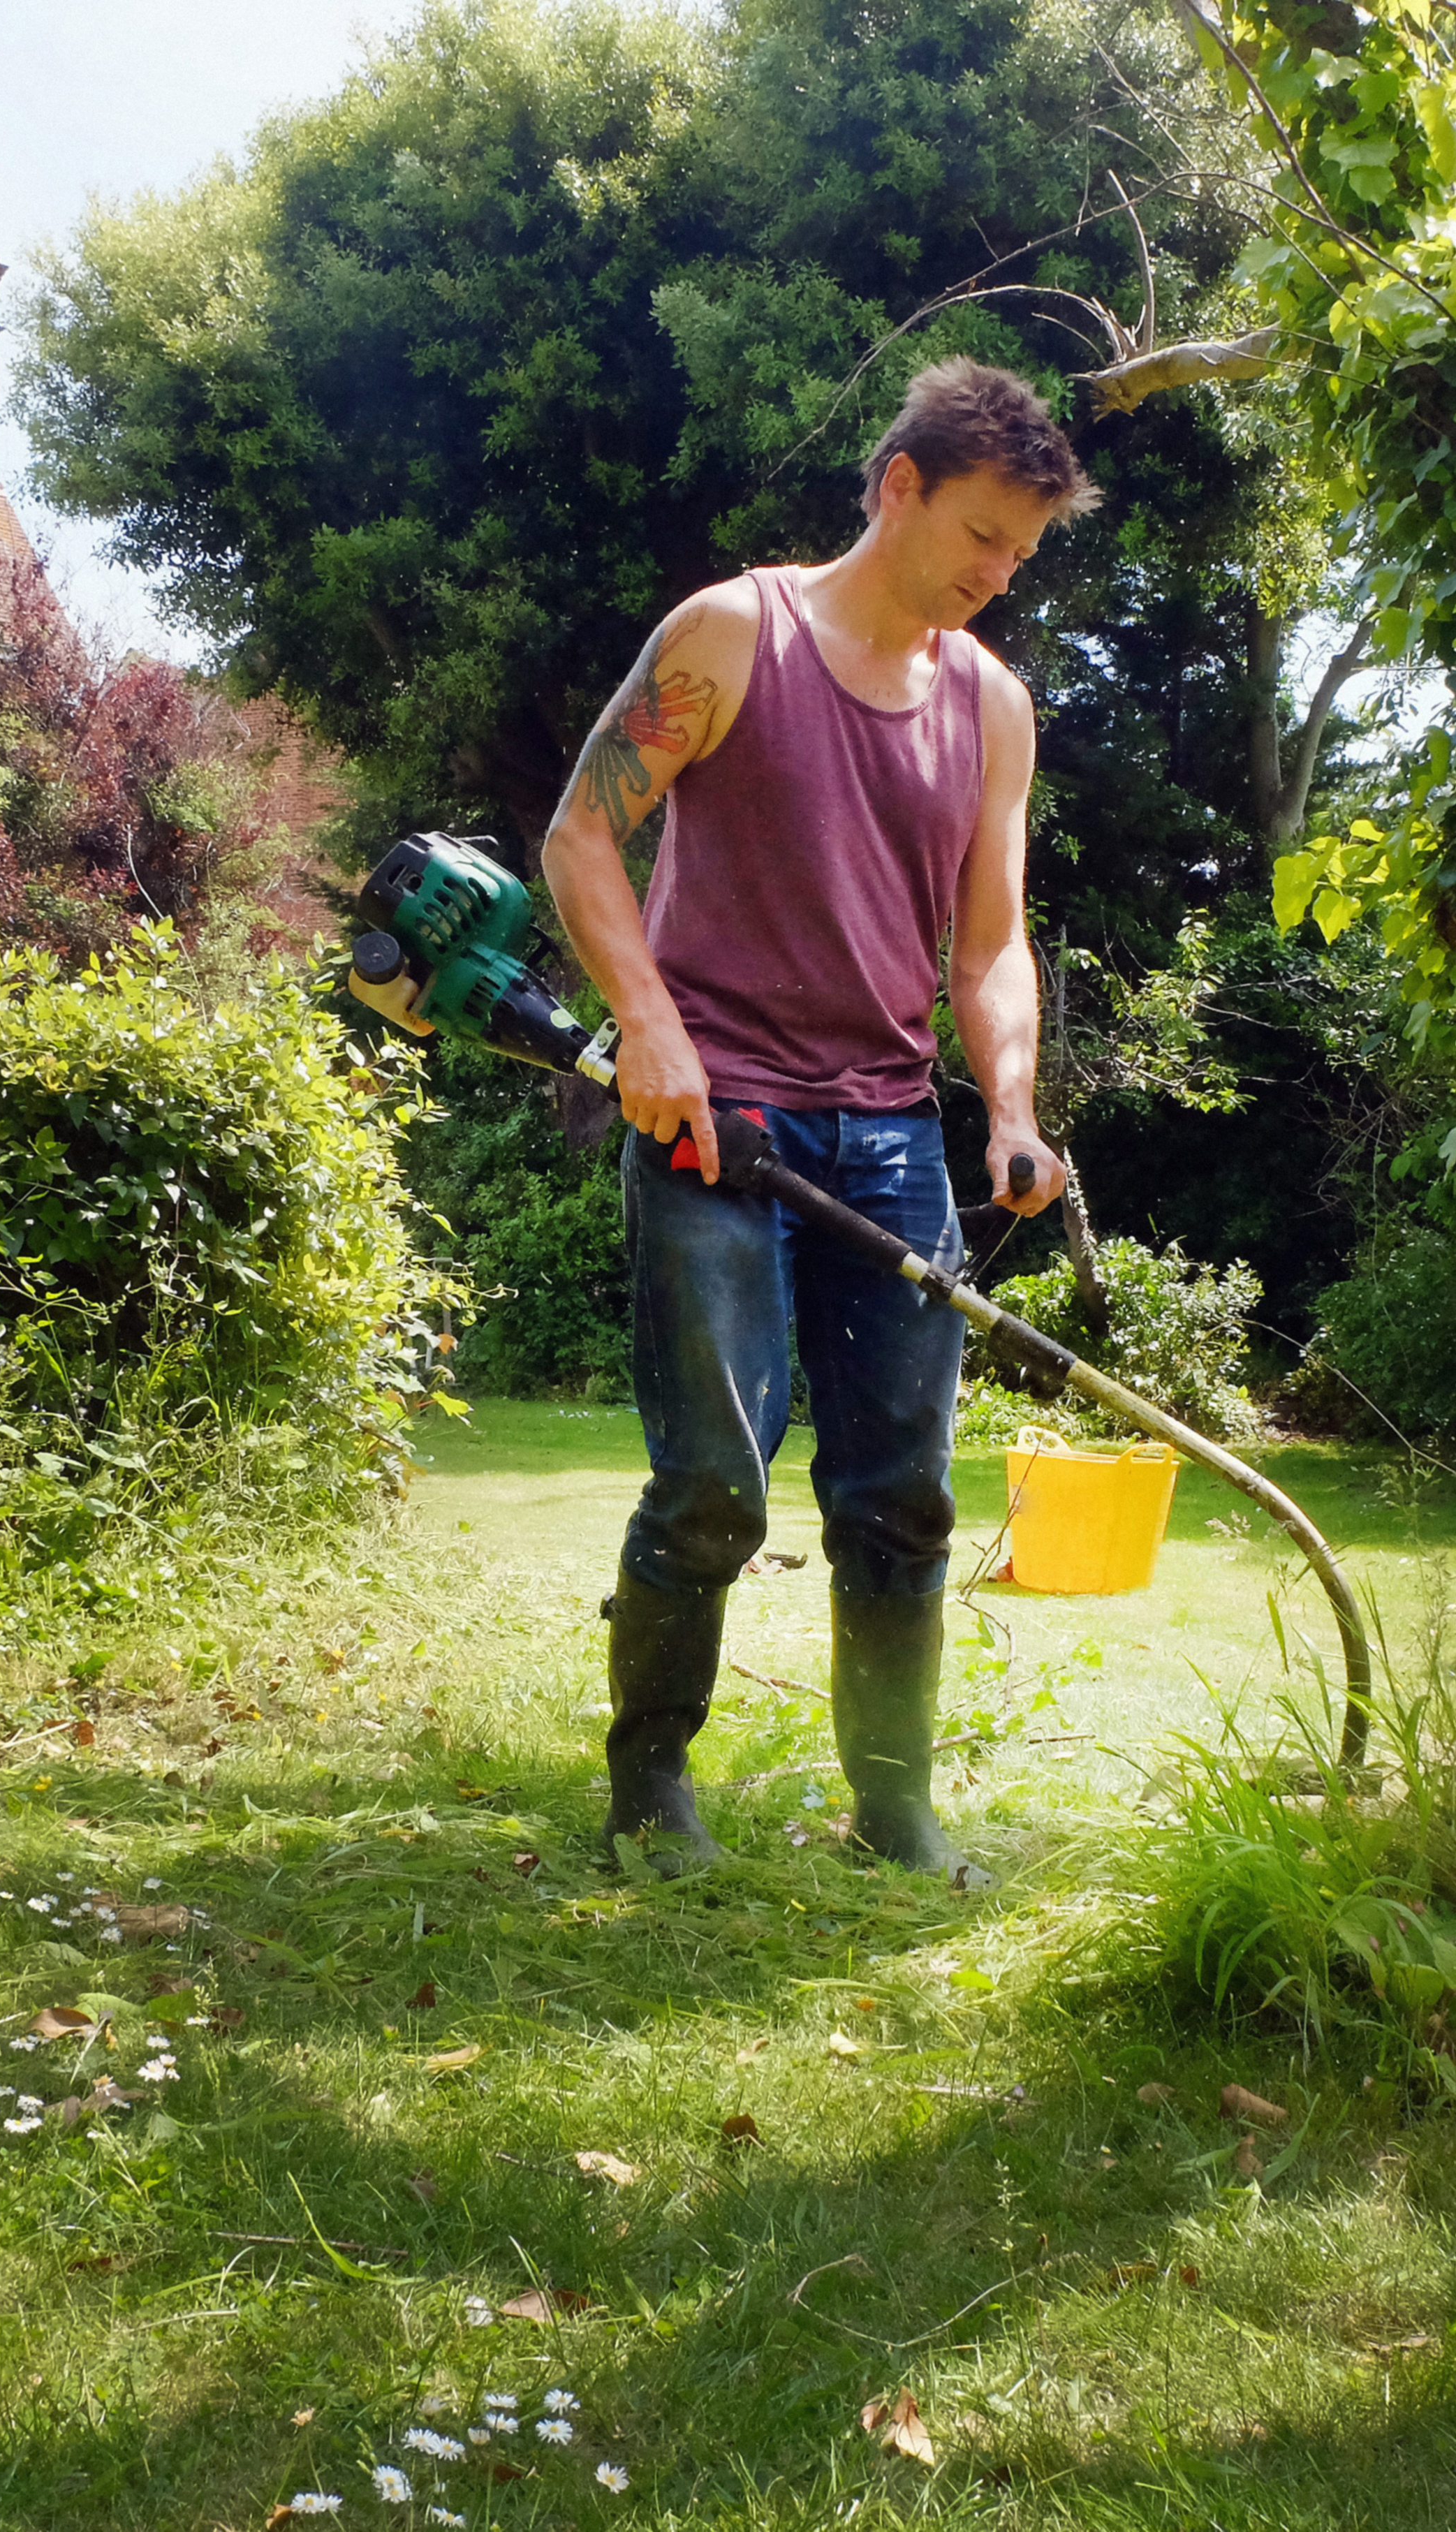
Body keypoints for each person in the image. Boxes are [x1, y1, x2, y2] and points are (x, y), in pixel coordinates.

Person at [538, 358, 1092, 1885]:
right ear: (898, 486)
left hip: (890, 1132)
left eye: (1020, 556)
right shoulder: (733, 636)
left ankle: (892, 1809)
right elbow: (582, 834)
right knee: (717, 1478)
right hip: (718, 1119)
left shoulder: (990, 704)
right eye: (981, 537)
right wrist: (649, 1026)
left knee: (903, 1494)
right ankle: (650, 1784)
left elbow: (990, 943)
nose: (995, 578)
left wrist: (1014, 1105)